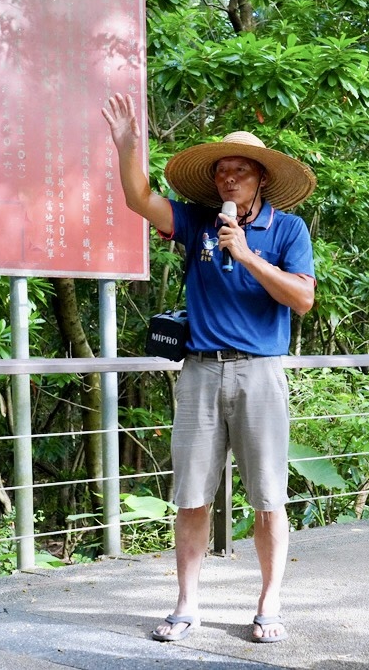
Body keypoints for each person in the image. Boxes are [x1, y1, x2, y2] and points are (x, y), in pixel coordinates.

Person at [101, 93, 316, 644]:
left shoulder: (289, 230)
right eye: (222, 171)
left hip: (260, 373)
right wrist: (127, 145)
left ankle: (268, 603)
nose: (229, 178)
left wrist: (246, 254)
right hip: (199, 371)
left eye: (241, 170)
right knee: (191, 495)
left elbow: (302, 299)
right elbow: (139, 198)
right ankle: (186, 604)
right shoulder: (197, 221)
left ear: (261, 179)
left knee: (268, 497)